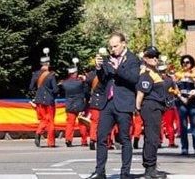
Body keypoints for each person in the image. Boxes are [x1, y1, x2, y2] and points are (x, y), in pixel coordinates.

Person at [88, 32, 138, 179]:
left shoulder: (133, 59)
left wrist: (117, 69)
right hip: (108, 103)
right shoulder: (108, 59)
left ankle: (125, 173)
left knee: (124, 139)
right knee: (101, 136)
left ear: (123, 44)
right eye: (111, 47)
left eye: (115, 46)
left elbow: (134, 79)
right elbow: (103, 79)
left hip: (124, 103)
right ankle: (100, 171)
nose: (113, 49)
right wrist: (99, 68)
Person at [135, 47, 177, 179]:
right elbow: (140, 93)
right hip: (150, 107)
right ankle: (150, 169)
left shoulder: (155, 72)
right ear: (145, 59)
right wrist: (138, 109)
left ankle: (151, 167)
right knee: (152, 138)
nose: (155, 59)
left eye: (156, 56)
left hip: (156, 107)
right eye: (151, 56)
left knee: (153, 137)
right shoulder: (147, 74)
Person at [172, 54, 195, 157]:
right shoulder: (178, 75)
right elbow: (175, 88)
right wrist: (181, 97)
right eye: (183, 62)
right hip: (181, 102)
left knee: (194, 125)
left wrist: (192, 94)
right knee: (183, 126)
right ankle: (184, 148)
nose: (185, 64)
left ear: (191, 63)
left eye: (187, 62)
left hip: (192, 102)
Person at [31, 49, 59, 148]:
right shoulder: (51, 75)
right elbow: (55, 89)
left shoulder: (35, 74)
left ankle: (38, 132)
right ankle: (51, 143)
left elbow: (31, 87)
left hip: (39, 100)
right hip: (49, 100)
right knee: (50, 121)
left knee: (43, 119)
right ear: (48, 64)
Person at [61, 62, 90, 148]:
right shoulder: (80, 82)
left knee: (70, 124)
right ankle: (84, 141)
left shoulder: (64, 83)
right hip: (80, 105)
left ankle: (68, 140)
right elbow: (86, 92)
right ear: (75, 73)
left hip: (69, 105)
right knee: (82, 123)